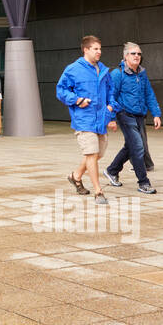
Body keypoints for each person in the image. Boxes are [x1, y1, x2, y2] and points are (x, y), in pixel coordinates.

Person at [56, 36, 118, 205]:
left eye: (100, 49)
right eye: (95, 49)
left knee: (99, 153)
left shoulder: (103, 70)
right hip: (83, 119)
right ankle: (98, 192)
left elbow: (111, 91)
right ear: (86, 50)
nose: (99, 52)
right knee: (91, 153)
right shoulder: (73, 69)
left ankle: (75, 176)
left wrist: (111, 109)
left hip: (101, 119)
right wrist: (77, 100)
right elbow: (60, 90)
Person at [105, 42, 160, 194]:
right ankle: (143, 182)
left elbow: (149, 94)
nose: (137, 56)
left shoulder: (142, 73)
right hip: (124, 114)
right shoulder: (117, 74)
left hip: (140, 116)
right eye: (133, 53)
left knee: (131, 146)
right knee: (137, 147)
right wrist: (111, 118)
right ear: (125, 56)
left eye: (139, 54)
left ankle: (112, 171)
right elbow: (110, 97)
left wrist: (156, 114)